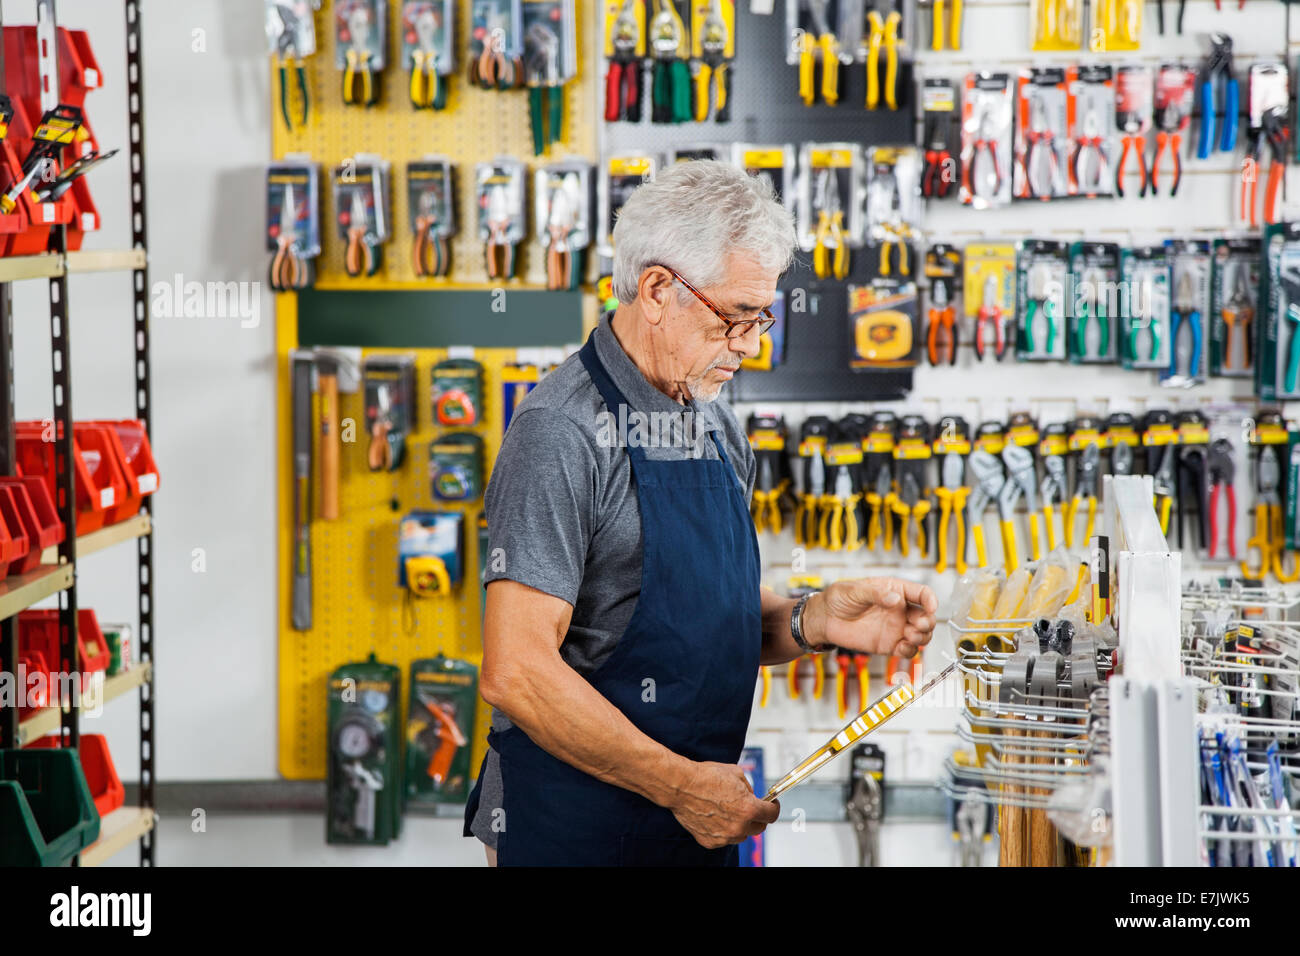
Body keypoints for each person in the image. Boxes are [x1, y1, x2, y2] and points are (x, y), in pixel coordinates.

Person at [463, 160, 938, 866]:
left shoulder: (713, 420)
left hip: (692, 830)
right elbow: (517, 669)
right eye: (734, 318)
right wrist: (681, 785)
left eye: (760, 318)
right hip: (577, 835)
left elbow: (693, 620)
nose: (750, 345)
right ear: (657, 289)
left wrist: (813, 619)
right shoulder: (559, 433)